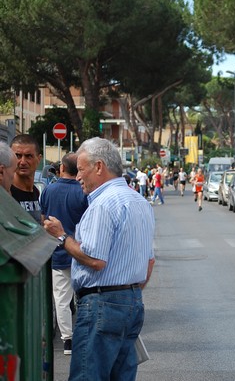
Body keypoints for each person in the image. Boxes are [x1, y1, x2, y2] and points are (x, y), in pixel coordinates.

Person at [43, 137, 155, 381]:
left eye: (82, 169)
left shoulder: (103, 204)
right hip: (132, 301)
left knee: (87, 376)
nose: (78, 176)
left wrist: (61, 236)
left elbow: (95, 260)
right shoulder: (139, 201)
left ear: (99, 167)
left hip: (102, 302)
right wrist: (128, 293)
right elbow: (149, 262)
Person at [39, 153, 88, 356]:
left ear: (61, 169)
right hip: (81, 251)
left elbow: (43, 219)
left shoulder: (48, 190)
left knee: (61, 298)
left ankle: (67, 340)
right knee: (85, 297)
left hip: (58, 251)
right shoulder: (85, 191)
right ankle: (85, 336)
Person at [10, 134, 43, 224]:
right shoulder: (6, 192)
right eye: (18, 156)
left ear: (39, 159)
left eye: (28, 156)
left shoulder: (36, 191)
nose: (23, 162)